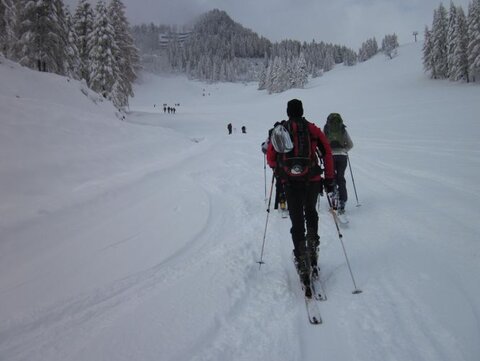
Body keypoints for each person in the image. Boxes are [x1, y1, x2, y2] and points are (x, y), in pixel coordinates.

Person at [266, 99, 334, 297]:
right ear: (302, 111)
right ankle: (313, 248)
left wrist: (279, 171)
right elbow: (327, 152)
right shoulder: (312, 129)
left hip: (290, 182)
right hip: (312, 180)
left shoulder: (280, 130)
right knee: (311, 212)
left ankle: (302, 259)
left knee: (297, 221)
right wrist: (329, 179)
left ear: (288, 112)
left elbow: (271, 157)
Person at [323, 113, 354, 214]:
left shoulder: (326, 129)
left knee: (331, 177)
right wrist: (344, 150)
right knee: (341, 177)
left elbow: (322, 143)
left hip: (330, 157)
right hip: (342, 156)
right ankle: (342, 201)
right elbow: (350, 144)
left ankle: (333, 197)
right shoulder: (343, 130)